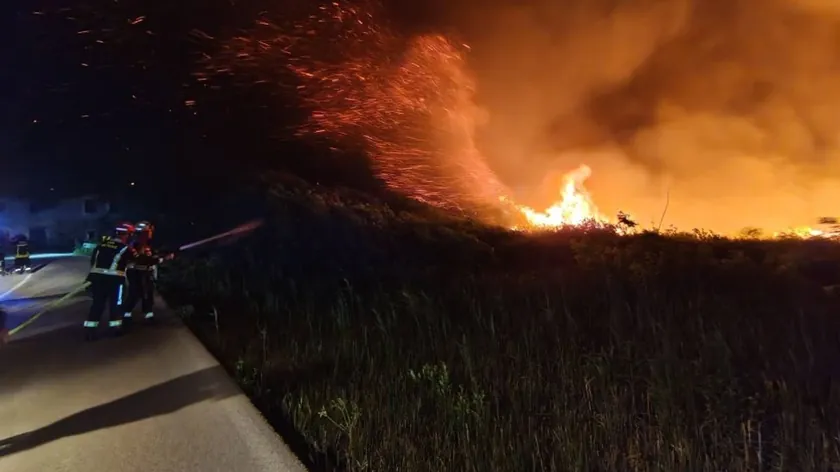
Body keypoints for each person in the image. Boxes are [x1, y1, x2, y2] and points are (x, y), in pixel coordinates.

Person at [83, 224, 136, 341]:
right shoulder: (125, 249)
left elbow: (93, 262)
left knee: (97, 304)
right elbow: (134, 263)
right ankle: (115, 328)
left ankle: (90, 330)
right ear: (127, 235)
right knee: (116, 304)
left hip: (96, 279)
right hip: (115, 281)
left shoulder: (100, 246)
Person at [123, 243, 160, 326]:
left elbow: (153, 271)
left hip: (147, 283)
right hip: (138, 283)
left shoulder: (148, 260)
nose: (148, 252)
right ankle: (126, 316)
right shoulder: (137, 260)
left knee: (148, 299)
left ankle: (148, 315)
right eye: (146, 250)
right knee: (133, 298)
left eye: (149, 250)